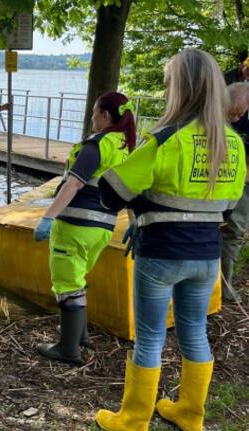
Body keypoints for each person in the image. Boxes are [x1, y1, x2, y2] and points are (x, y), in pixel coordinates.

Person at [94, 49, 246, 431]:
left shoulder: (164, 141)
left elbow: (110, 192)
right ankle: (190, 414)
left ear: (179, 88)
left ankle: (132, 419)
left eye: (167, 83)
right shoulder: (234, 144)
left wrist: (144, 210)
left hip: (160, 253)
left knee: (149, 338)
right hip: (206, 255)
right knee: (195, 330)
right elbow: (227, 208)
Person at [33, 92, 136, 365]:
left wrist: (48, 216)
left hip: (76, 226)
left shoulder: (96, 146)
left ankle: (68, 349)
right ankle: (80, 336)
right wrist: (136, 220)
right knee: (77, 279)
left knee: (67, 284)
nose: (91, 118)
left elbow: (74, 183)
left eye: (94, 113)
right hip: (102, 229)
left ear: (105, 116)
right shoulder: (125, 147)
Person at [221, 82, 249, 301]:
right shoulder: (217, 115)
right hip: (221, 178)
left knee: (234, 232)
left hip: (241, 180)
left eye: (240, 114)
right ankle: (220, 285)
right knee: (229, 230)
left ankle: (223, 283)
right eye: (234, 113)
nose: (236, 118)